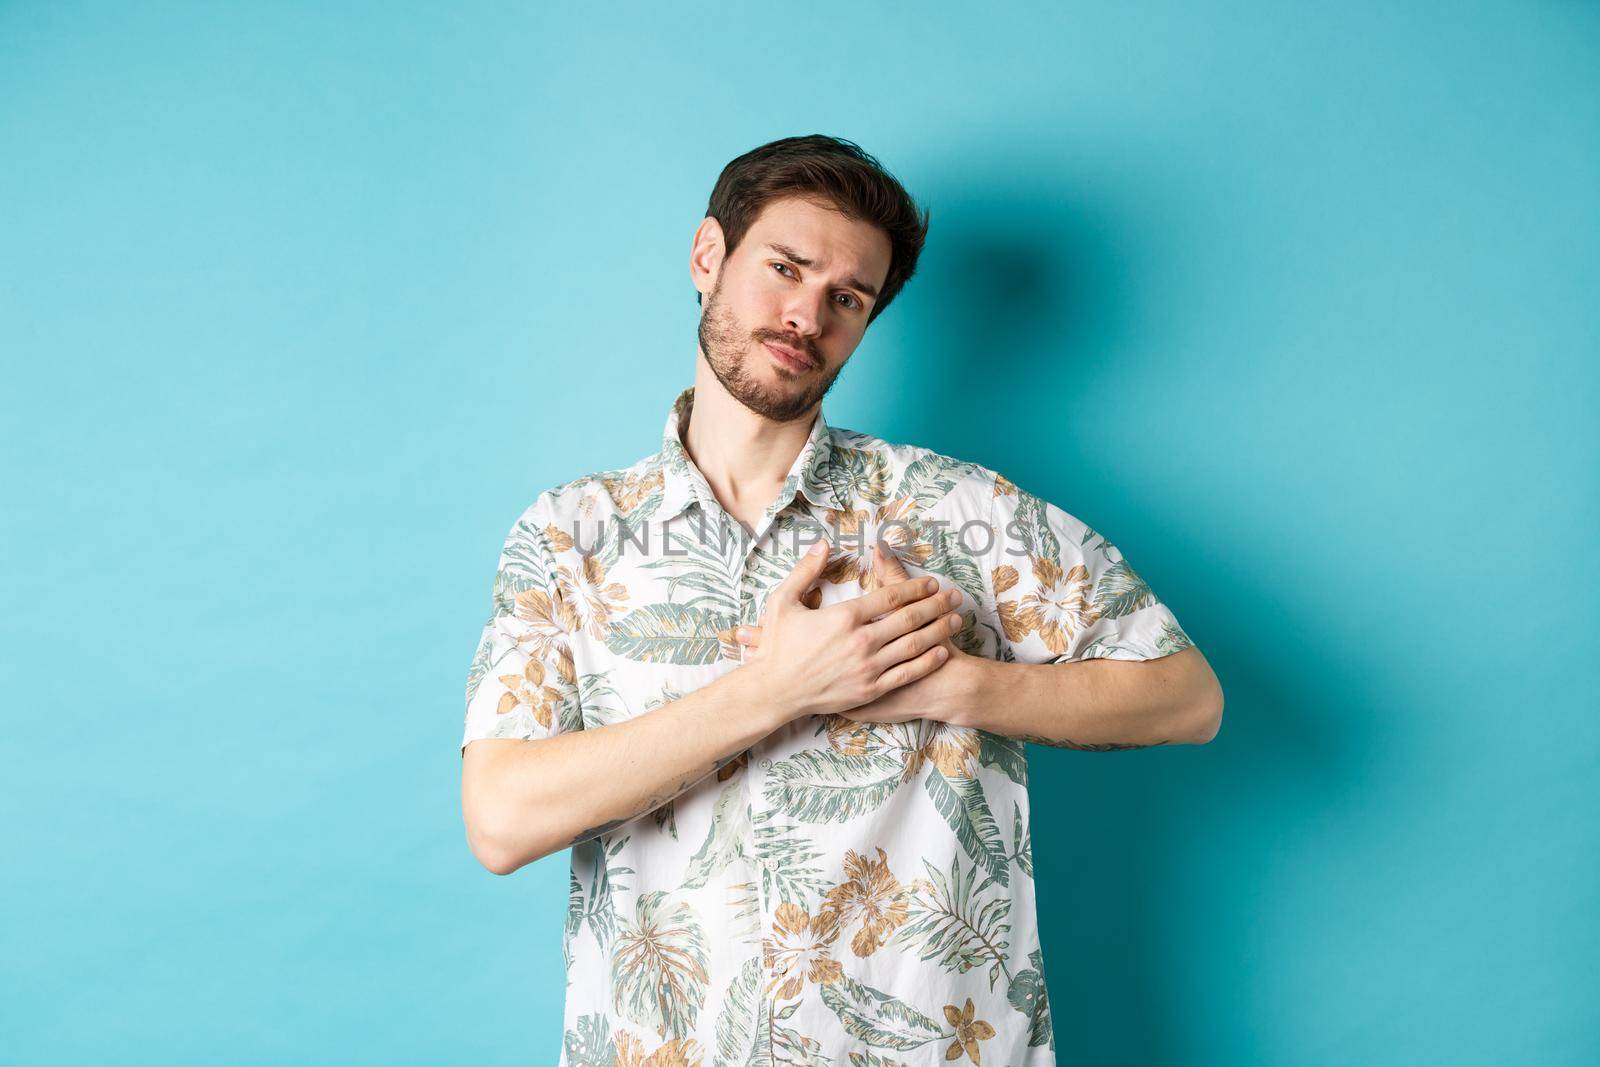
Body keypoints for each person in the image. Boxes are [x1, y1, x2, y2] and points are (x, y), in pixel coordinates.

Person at [459, 133, 1223, 1066]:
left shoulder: (960, 513)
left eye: (847, 298)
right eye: (785, 268)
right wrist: (777, 688)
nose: (805, 314)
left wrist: (949, 687)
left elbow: (1189, 696)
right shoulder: (571, 532)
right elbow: (499, 819)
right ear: (709, 257)